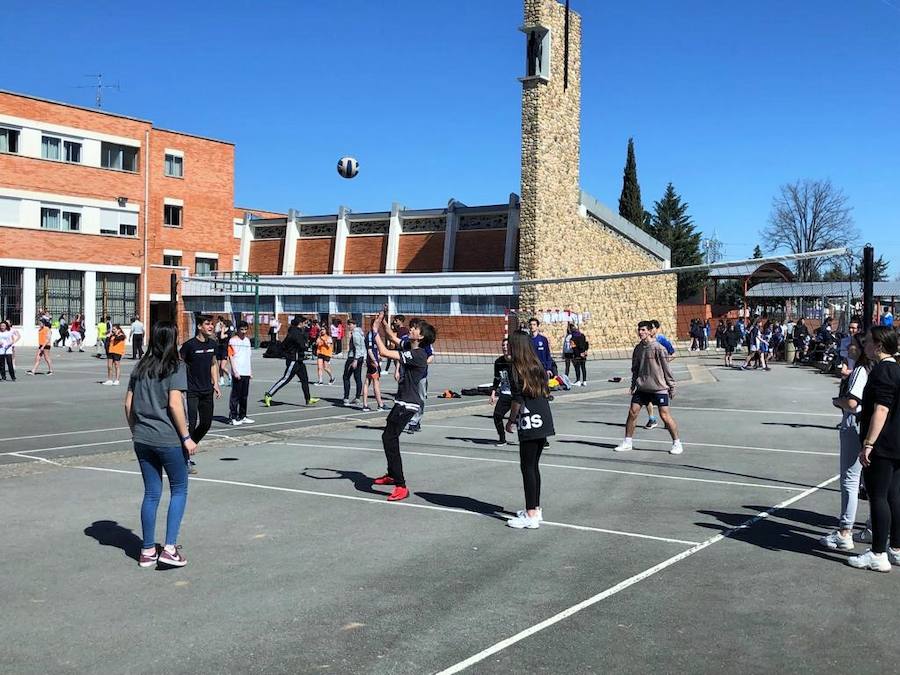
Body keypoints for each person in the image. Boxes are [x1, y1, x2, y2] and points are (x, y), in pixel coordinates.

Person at [125, 321, 196, 568]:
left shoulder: (140, 367)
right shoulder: (175, 367)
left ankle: (146, 550)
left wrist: (135, 430)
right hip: (168, 439)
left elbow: (127, 405)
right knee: (179, 489)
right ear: (172, 340)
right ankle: (169, 548)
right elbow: (175, 404)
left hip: (143, 438)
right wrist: (186, 437)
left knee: (151, 493)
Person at [848, 326, 900, 572]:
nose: (864, 345)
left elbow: (881, 409)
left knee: (878, 496)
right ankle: (896, 548)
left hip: (883, 445)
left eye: (867, 341)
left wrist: (868, 444)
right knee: (893, 496)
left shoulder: (882, 372)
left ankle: (878, 553)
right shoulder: (897, 370)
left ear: (878, 345)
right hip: (896, 443)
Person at [370, 311, 436, 501]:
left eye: (415, 328)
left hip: (409, 403)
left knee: (390, 438)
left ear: (421, 336)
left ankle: (401, 485)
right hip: (401, 400)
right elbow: (391, 337)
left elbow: (383, 352)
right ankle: (391, 475)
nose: (411, 329)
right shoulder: (409, 344)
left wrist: (374, 332)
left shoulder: (418, 354)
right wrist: (382, 323)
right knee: (387, 436)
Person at [820, 333, 870, 551]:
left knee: (850, 479)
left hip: (855, 425)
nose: (848, 347)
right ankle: (872, 527)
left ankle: (845, 531)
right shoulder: (877, 368)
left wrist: (837, 401)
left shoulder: (860, 370)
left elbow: (852, 402)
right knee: (871, 481)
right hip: (871, 428)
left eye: (852, 344)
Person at [504, 330, 556, 529]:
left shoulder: (515, 367)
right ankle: (536, 508)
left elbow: (517, 399)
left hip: (530, 420)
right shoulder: (536, 364)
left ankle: (531, 514)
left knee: (527, 467)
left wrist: (511, 421)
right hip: (543, 417)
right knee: (533, 466)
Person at [615, 321, 682, 455]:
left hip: (659, 388)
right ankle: (628, 442)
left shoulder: (658, 348)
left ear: (650, 331)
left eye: (643, 330)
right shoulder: (638, 348)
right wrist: (633, 385)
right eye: (639, 330)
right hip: (642, 387)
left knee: (664, 416)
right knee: (632, 412)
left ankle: (677, 443)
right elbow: (635, 369)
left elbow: (666, 368)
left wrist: (672, 386)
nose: (641, 332)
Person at [180, 315, 222, 475]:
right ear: (199, 326)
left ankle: (190, 445)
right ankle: (185, 459)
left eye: (212, 324)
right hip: (191, 391)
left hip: (207, 391)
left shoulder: (212, 344)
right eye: (207, 324)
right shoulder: (189, 346)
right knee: (190, 424)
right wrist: (179, 387)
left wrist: (216, 383)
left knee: (206, 424)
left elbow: (213, 364)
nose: (211, 327)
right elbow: (179, 362)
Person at [263, 316, 318, 408]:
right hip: (293, 360)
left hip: (299, 361)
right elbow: (303, 345)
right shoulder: (296, 333)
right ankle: (268, 394)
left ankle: (308, 398)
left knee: (304, 379)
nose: (306, 325)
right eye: (304, 323)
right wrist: (307, 335)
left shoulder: (295, 332)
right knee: (285, 379)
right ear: (300, 324)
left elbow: (286, 345)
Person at [398, 318, 434, 433]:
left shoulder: (424, 344)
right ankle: (406, 420)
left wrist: (422, 363)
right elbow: (400, 356)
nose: (412, 329)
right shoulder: (406, 341)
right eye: (412, 326)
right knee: (404, 398)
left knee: (420, 398)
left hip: (421, 375)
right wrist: (397, 370)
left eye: (415, 327)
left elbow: (431, 356)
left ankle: (415, 421)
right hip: (407, 375)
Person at [227, 321, 254, 426]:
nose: (243, 332)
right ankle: (233, 417)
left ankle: (243, 416)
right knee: (235, 396)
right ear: (237, 330)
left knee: (244, 395)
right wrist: (235, 371)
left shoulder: (247, 341)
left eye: (245, 329)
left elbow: (248, 357)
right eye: (241, 329)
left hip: (246, 371)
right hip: (238, 372)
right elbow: (231, 356)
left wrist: (250, 371)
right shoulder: (232, 341)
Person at [490, 338, 515, 446]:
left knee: (525, 417)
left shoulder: (516, 361)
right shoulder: (498, 362)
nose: (504, 347)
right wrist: (493, 392)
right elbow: (496, 378)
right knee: (497, 415)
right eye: (503, 345)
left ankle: (542, 440)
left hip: (517, 395)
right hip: (505, 393)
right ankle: (502, 438)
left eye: (506, 345)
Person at [361, 321, 385, 412]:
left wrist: (378, 356)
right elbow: (370, 350)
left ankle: (365, 404)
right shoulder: (370, 335)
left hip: (373, 360)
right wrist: (375, 361)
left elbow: (375, 349)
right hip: (372, 362)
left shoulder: (375, 334)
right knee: (375, 382)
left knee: (368, 381)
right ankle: (380, 404)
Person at [342, 319, 366, 406]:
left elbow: (358, 347)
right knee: (357, 377)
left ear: (353, 324)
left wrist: (355, 360)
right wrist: (363, 358)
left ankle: (346, 398)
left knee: (346, 377)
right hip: (360, 357)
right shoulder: (361, 333)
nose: (348, 327)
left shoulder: (355, 334)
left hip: (353, 357)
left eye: (350, 325)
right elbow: (364, 347)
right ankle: (357, 397)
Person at [216, 318, 232, 386]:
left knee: (223, 367)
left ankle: (230, 376)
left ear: (225, 324)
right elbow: (218, 338)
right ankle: (221, 380)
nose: (220, 324)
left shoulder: (228, 332)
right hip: (219, 349)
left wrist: (222, 330)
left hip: (225, 350)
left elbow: (222, 337)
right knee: (219, 367)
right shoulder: (219, 331)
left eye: (222, 324)